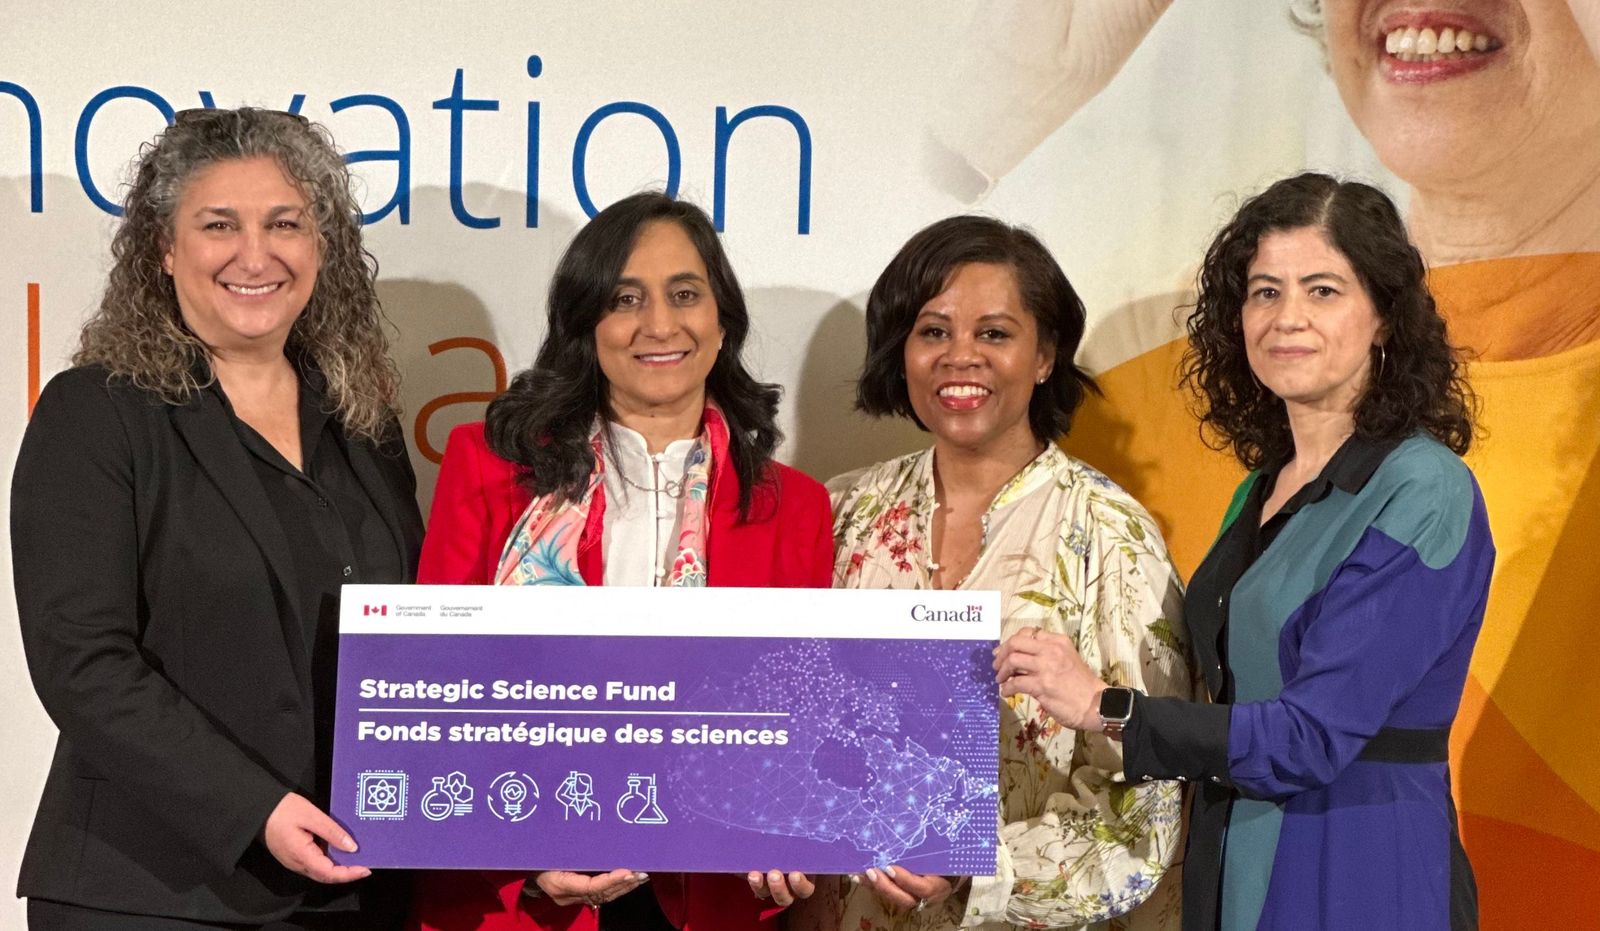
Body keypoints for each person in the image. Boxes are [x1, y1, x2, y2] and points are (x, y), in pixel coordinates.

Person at [995, 174, 1493, 931]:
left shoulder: (1425, 488)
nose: (1287, 317)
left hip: (1358, 861)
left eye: (1322, 290)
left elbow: (1313, 734)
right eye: (1265, 292)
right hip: (1232, 848)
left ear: (1385, 317)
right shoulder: (1261, 487)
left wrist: (1106, 705)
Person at [11, 107, 424, 928]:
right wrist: (257, 808)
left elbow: (416, 642)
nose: (255, 254)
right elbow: (83, 662)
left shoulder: (361, 422)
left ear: (321, 247)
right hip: (150, 892)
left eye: (285, 223)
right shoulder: (96, 413)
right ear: (164, 249)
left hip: (348, 885)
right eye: (218, 225)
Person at [410, 192, 834, 931]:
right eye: (625, 299)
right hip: (529, 896)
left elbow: (802, 711)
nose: (659, 325)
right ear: (587, 324)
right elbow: (438, 691)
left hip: (712, 898)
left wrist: (796, 825)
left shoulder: (792, 506)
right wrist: (522, 854)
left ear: (721, 317)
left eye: (684, 295)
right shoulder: (486, 468)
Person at [819, 216, 1190, 930]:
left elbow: (1146, 814)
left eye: (994, 333)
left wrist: (974, 863)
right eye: (933, 331)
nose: (961, 357)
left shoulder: (1111, 537)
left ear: (1046, 353)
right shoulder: (840, 514)